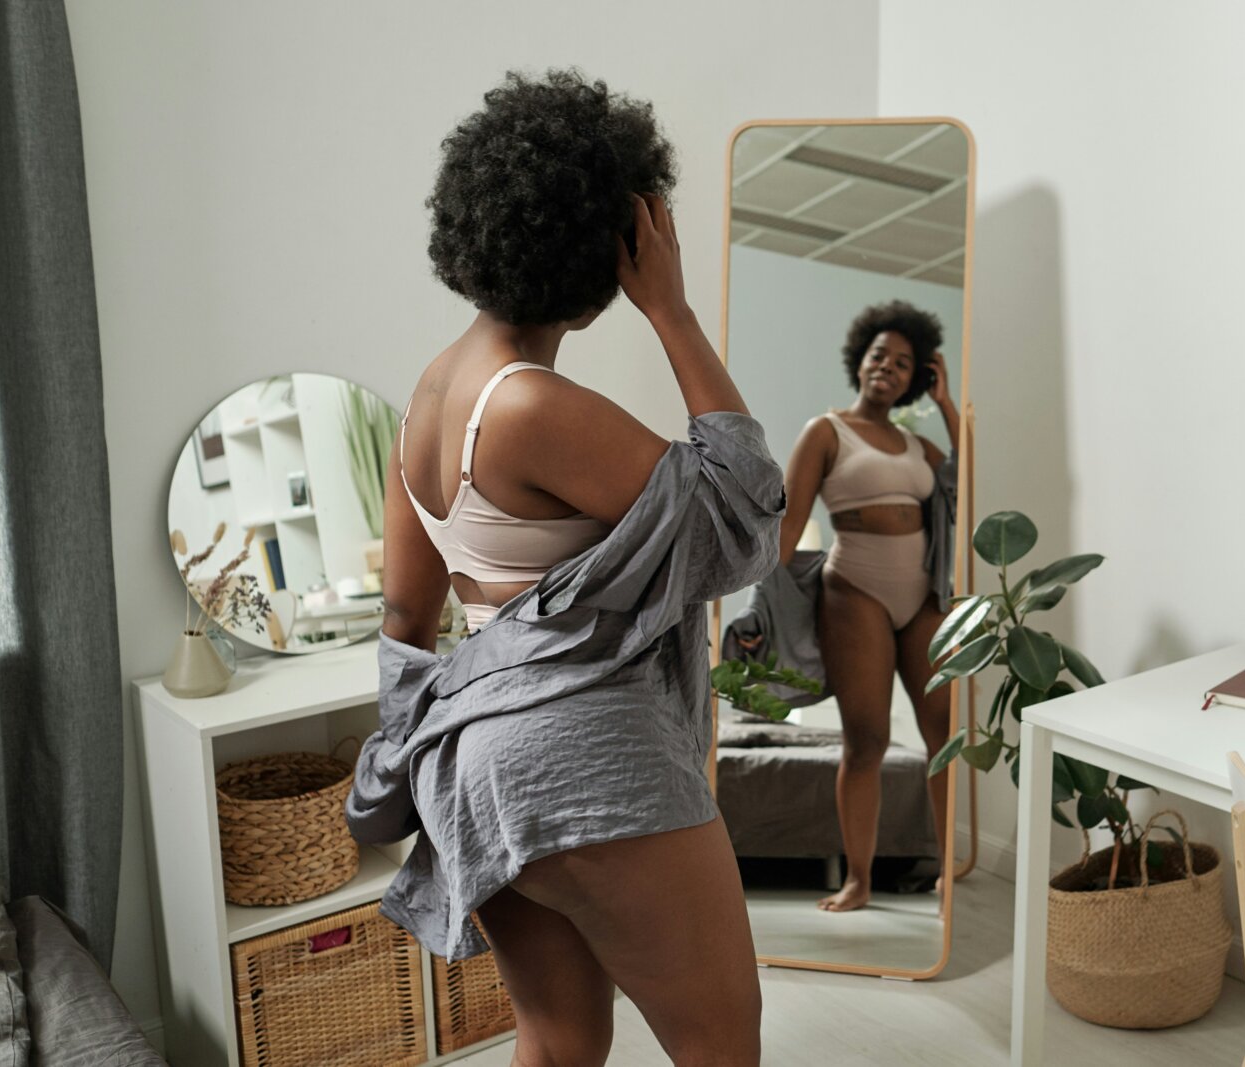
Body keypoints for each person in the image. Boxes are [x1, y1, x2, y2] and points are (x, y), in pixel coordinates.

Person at [347, 70, 781, 1066]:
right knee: (721, 1042)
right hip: (589, 758)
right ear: (603, 258)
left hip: (478, 766)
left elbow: (407, 619)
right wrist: (670, 311)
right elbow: (744, 518)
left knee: (558, 1037)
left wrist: (412, 760)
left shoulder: (424, 405)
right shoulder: (532, 405)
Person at [777, 300, 960, 912]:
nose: (888, 366)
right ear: (860, 360)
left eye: (904, 363)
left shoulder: (919, 445)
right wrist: (760, 606)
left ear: (916, 378)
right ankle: (858, 878)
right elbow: (789, 526)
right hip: (854, 592)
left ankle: (950, 868)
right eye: (880, 355)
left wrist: (947, 406)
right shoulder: (826, 431)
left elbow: (972, 484)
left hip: (923, 596)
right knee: (867, 740)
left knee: (945, 735)